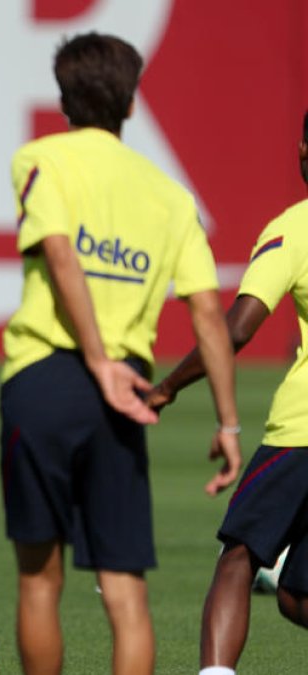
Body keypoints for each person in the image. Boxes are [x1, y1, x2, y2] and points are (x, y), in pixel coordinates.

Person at [0, 33, 242, 675]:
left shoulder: (39, 158)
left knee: (40, 579)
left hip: (45, 377)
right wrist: (228, 422)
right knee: (126, 589)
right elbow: (210, 313)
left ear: (63, 97)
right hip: (128, 393)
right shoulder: (169, 194)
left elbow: (59, 253)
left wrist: (94, 358)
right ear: (131, 103)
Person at [146, 111, 308, 675]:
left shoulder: (294, 227)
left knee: (238, 553)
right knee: (296, 597)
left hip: (301, 435)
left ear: (303, 150)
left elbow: (236, 328)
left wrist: (167, 386)